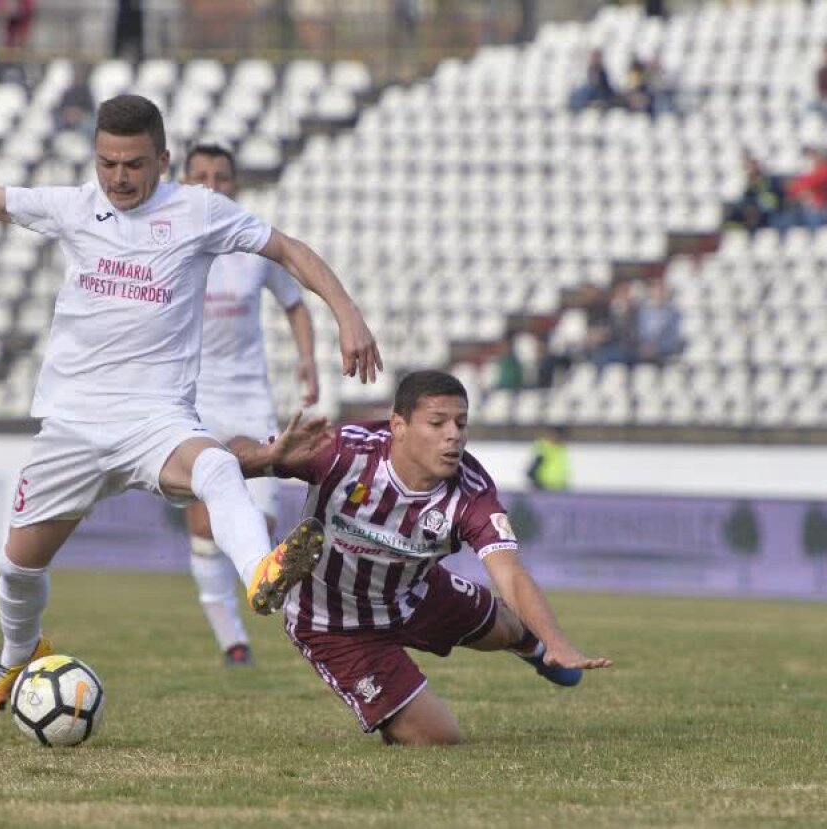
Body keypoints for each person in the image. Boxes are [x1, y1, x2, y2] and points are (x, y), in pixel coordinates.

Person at [0, 94, 382, 718]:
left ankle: (262, 573)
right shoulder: (74, 207)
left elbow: (289, 250)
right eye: (108, 163)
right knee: (16, 571)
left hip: (157, 420)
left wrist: (347, 315)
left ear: (163, 160)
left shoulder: (199, 211)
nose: (120, 178)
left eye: (134, 164)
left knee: (216, 469)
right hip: (72, 426)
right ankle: (18, 652)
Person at [228, 370, 611, 746]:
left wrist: (556, 641)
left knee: (512, 628)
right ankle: (394, 711)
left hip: (417, 594)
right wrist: (265, 454)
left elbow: (509, 574)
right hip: (334, 624)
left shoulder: (470, 491)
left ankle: (541, 654)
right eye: (438, 423)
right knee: (437, 738)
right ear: (399, 425)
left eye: (461, 424)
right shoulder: (342, 451)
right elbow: (233, 458)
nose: (454, 435)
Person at [181, 143, 320, 667]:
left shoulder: (253, 242)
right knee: (201, 525)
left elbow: (294, 303)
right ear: (183, 179)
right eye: (201, 176)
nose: (212, 186)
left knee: (257, 528)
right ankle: (231, 640)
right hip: (190, 398)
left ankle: (275, 602)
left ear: (236, 185)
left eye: (221, 177)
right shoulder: (172, 240)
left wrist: (307, 361)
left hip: (247, 399)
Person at [527, 425, 570, 491]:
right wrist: (537, 485)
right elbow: (532, 470)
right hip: (544, 488)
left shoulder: (562, 449)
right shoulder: (543, 448)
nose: (558, 437)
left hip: (560, 487)